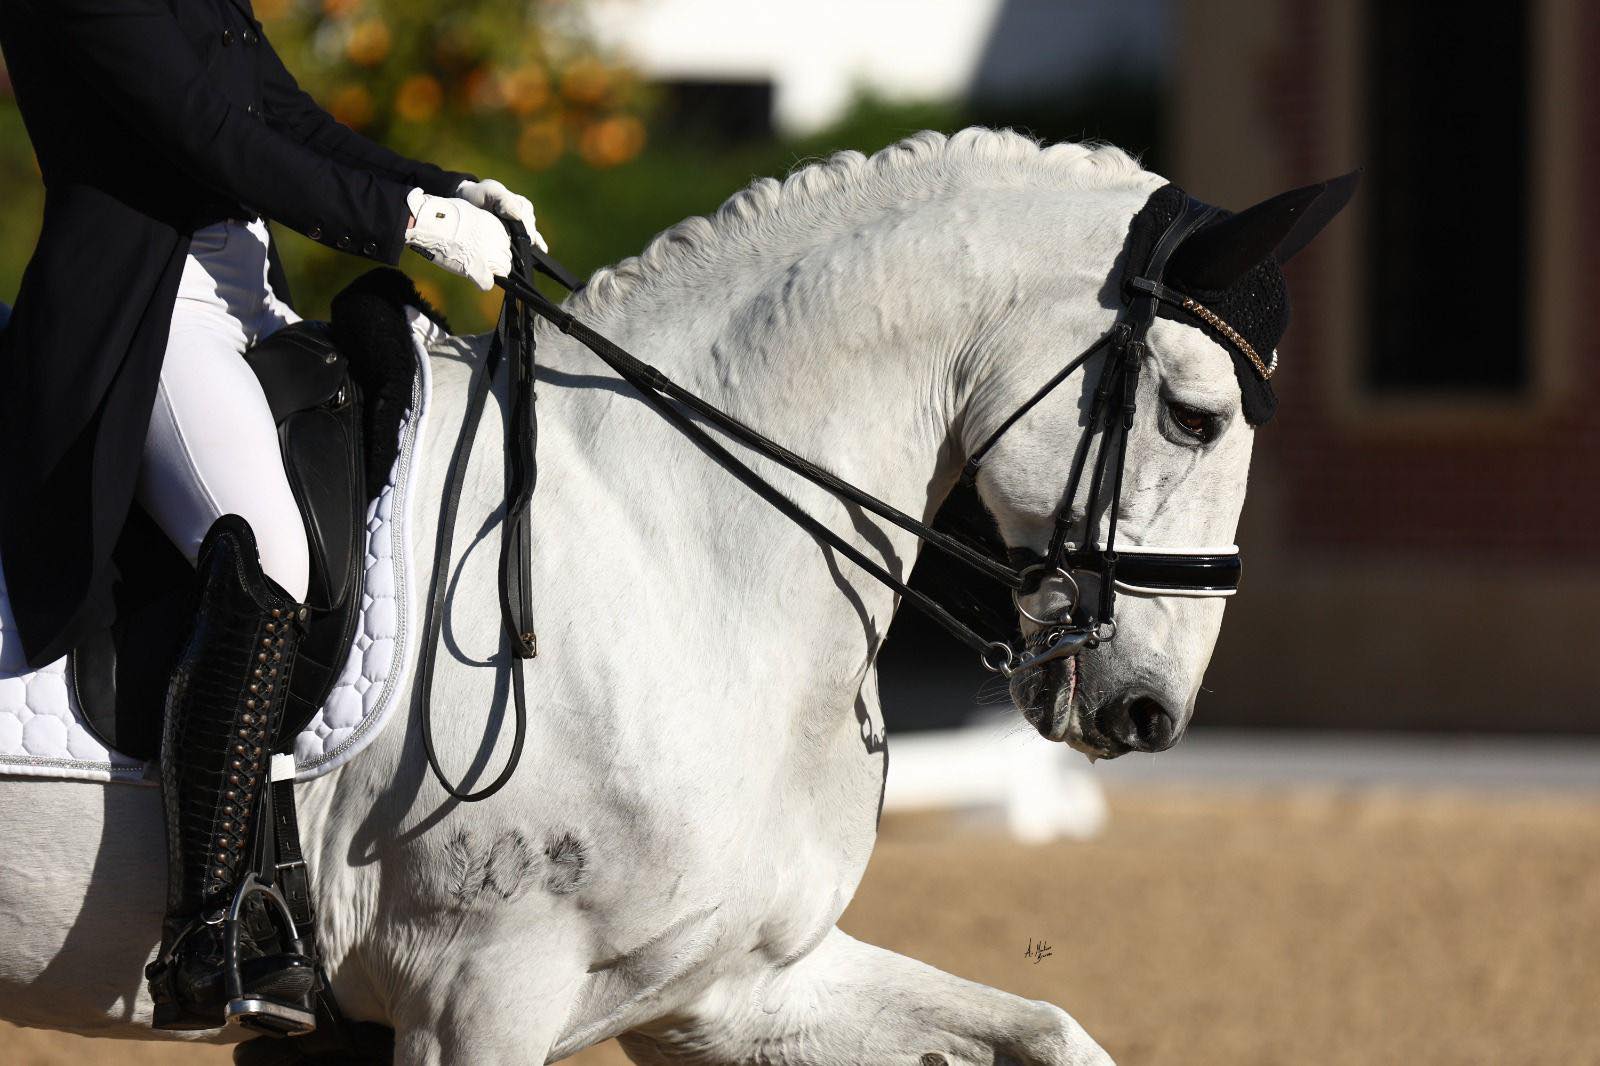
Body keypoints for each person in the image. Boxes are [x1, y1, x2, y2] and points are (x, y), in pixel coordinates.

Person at [0, 0, 543, 1030]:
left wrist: (441, 186)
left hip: (251, 307)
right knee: (268, 555)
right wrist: (409, 226)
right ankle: (211, 932)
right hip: (148, 319)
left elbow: (289, 118)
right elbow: (214, 137)